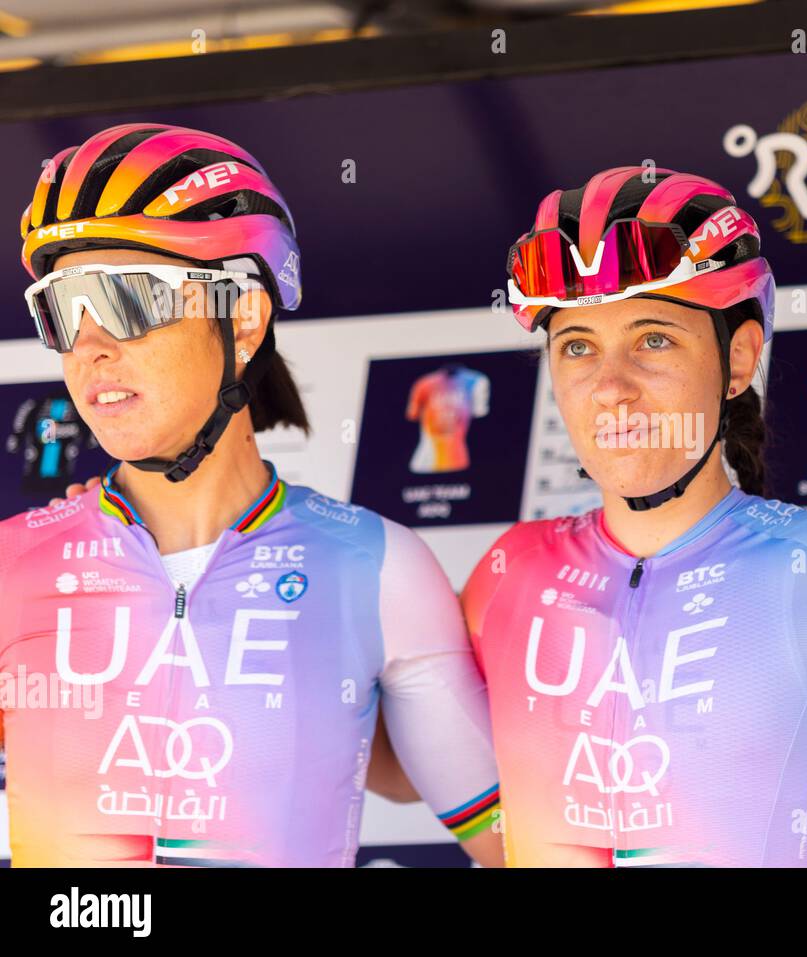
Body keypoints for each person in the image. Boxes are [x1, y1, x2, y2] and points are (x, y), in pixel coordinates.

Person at [0, 123, 501, 866]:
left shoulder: (377, 567)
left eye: (130, 299)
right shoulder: (13, 563)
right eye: (62, 306)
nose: (91, 344)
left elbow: (518, 845)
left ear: (242, 314)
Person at [432, 166, 807, 867]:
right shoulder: (510, 571)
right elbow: (394, 745)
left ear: (739, 358)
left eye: (654, 339)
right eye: (577, 346)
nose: (610, 387)